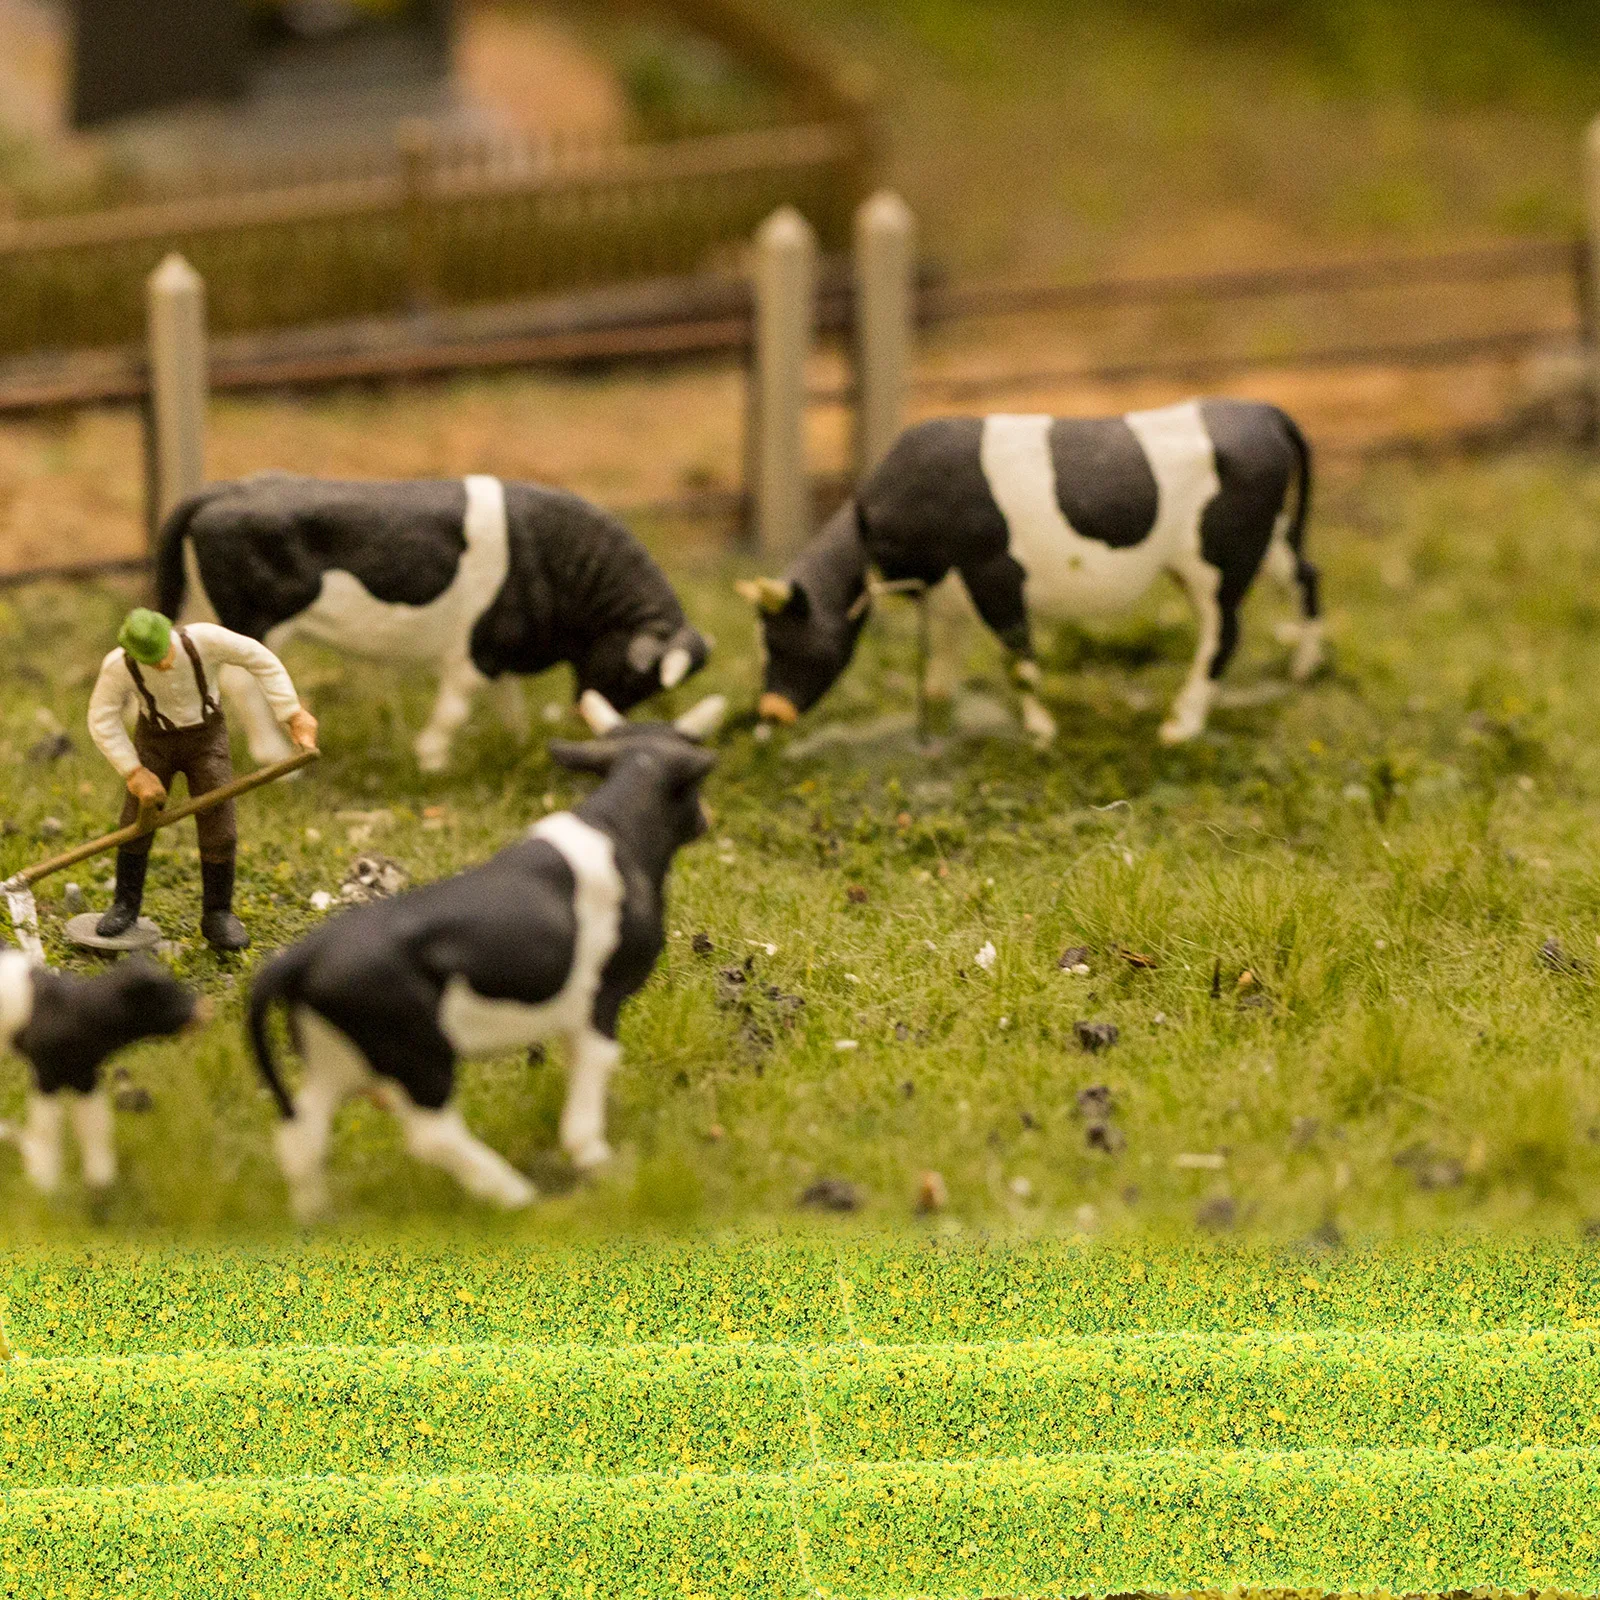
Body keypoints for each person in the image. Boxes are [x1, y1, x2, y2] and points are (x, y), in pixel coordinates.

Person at [86, 608, 318, 952]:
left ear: (170, 634)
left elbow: (261, 660)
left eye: (162, 655)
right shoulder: (119, 666)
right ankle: (125, 905)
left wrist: (291, 713)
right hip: (155, 743)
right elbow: (101, 717)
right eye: (149, 660)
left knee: (218, 822)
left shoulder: (205, 640)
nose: (161, 665)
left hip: (206, 740)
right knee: (136, 820)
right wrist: (134, 771)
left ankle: (218, 913)